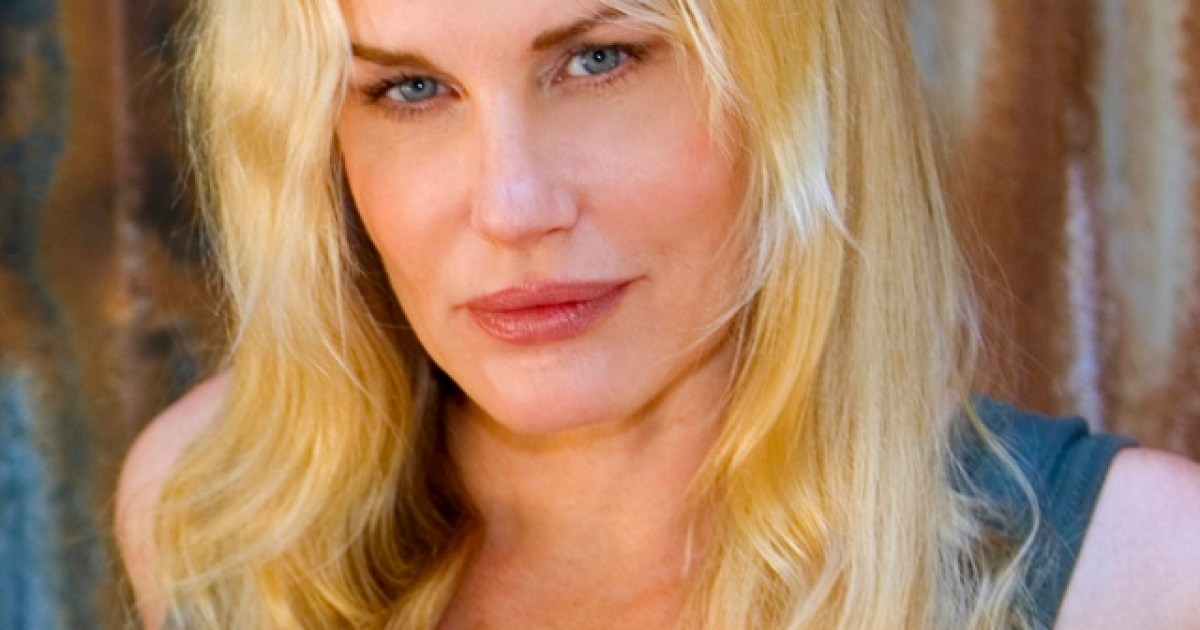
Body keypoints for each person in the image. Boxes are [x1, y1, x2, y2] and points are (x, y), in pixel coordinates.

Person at [115, 0, 1200, 628]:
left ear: (800, 89)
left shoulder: (1142, 574)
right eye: (410, 90)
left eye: (600, 60)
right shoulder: (224, 513)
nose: (513, 207)